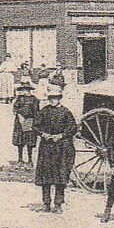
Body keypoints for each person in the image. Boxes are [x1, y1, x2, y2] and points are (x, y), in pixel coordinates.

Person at [33, 83, 78, 212]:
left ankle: (58, 203)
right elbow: (36, 125)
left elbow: (73, 128)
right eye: (51, 98)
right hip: (47, 148)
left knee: (60, 177)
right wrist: (43, 134)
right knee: (45, 177)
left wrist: (61, 135)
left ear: (60, 98)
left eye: (55, 98)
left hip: (62, 148)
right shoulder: (44, 111)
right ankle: (46, 203)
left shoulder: (66, 112)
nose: (53, 100)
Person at [11, 82, 40, 163]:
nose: (25, 92)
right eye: (23, 90)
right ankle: (20, 159)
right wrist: (19, 115)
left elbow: (36, 111)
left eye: (27, 90)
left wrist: (33, 119)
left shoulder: (34, 99)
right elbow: (15, 108)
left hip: (30, 121)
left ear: (30, 91)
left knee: (29, 141)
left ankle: (30, 159)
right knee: (20, 141)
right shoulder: (19, 99)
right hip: (19, 122)